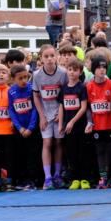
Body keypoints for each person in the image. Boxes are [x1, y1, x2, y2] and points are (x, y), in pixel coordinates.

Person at [32, 44, 67, 189]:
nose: (50, 59)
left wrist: (62, 114)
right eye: (46, 56)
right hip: (45, 113)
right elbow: (36, 96)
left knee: (59, 143)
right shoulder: (36, 75)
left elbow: (66, 94)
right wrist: (41, 116)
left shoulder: (63, 73)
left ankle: (58, 174)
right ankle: (48, 177)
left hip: (59, 113)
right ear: (41, 58)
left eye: (52, 56)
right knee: (47, 143)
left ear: (56, 56)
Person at [85, 57, 111, 187]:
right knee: (100, 151)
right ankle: (103, 177)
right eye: (99, 67)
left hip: (110, 124)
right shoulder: (89, 86)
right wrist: (90, 122)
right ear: (93, 70)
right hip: (97, 126)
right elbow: (88, 107)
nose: (102, 70)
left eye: (104, 67)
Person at [7, 64, 40, 190]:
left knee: (32, 154)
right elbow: (11, 110)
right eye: (20, 78)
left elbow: (35, 109)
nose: (24, 81)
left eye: (26, 77)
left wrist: (31, 128)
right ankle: (22, 180)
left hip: (31, 128)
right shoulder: (11, 91)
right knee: (20, 154)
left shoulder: (31, 89)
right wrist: (19, 128)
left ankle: (33, 180)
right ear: (13, 79)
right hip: (19, 129)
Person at [59, 59, 90, 188]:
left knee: (82, 152)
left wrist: (72, 121)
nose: (72, 73)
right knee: (71, 153)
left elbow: (83, 107)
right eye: (70, 70)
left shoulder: (82, 87)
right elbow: (61, 106)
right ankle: (75, 179)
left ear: (80, 72)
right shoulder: (64, 88)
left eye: (75, 70)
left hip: (79, 125)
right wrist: (61, 124)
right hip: (67, 127)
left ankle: (84, 179)